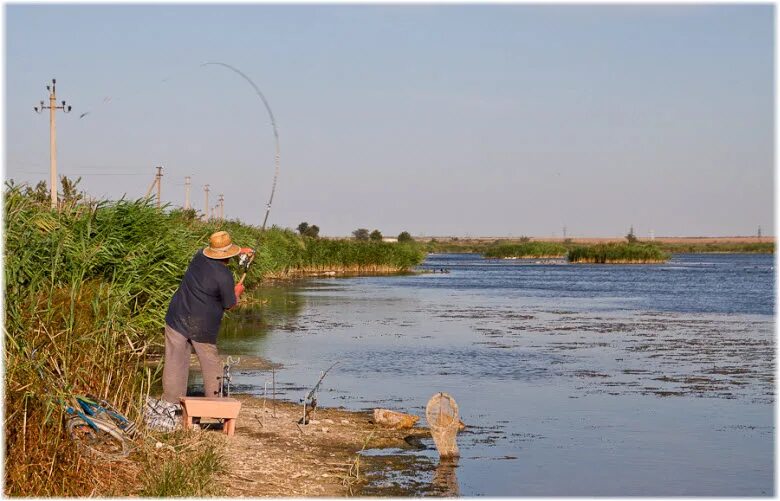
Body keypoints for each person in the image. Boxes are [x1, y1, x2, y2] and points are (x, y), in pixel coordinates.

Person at [161, 231, 253, 404]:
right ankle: (215, 404)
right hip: (202, 325)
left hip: (177, 316)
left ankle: (170, 406)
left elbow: (216, 252)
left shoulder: (199, 258)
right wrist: (238, 292)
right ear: (228, 254)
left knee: (175, 363)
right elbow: (229, 304)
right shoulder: (224, 276)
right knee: (211, 363)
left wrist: (241, 250)